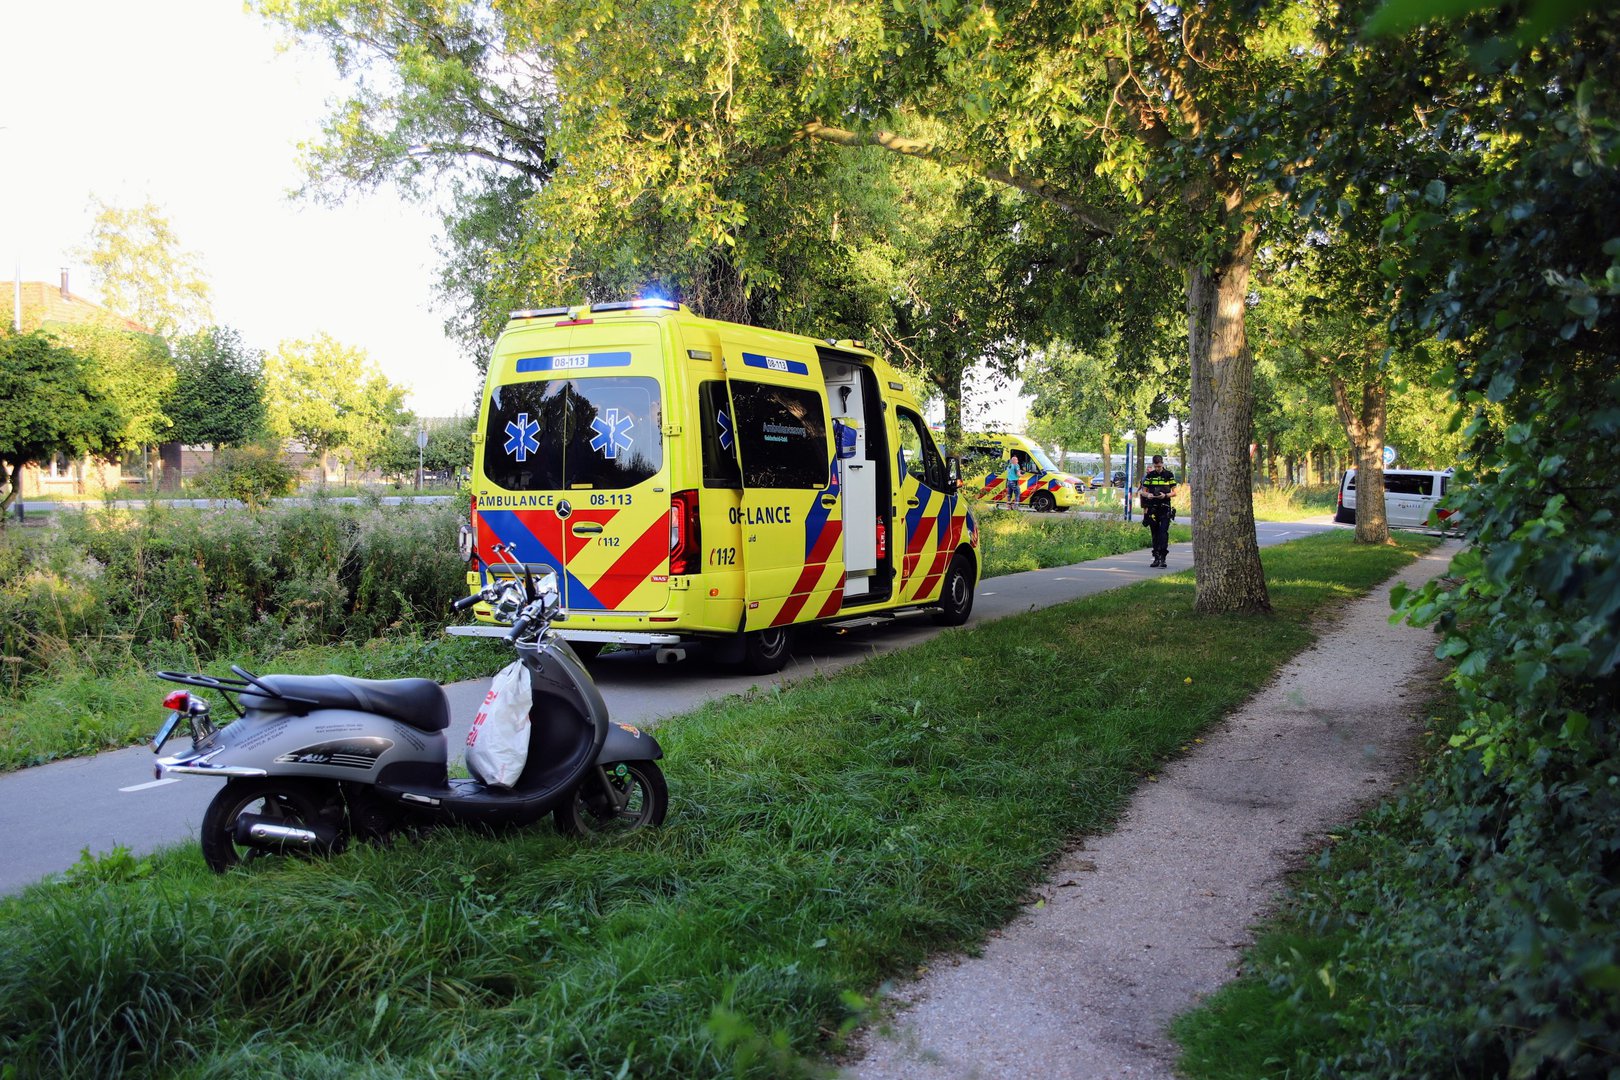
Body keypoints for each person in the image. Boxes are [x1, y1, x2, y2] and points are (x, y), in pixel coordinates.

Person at [1138, 454, 1177, 567]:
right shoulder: (1150, 475)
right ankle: (1156, 557)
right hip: (1152, 508)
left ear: (1162, 464)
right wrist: (1148, 494)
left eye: (1159, 466)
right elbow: (1143, 491)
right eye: (1156, 467)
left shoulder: (1169, 475)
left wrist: (1165, 495)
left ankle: (1163, 557)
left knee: (1163, 533)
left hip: (1164, 507)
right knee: (1154, 533)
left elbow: (1174, 492)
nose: (1157, 469)